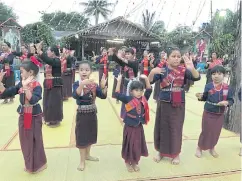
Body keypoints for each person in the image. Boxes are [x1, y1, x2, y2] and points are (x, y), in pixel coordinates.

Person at [148, 47, 200, 165]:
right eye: (173, 56)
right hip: (163, 103)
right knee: (161, 127)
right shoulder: (162, 70)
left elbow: (197, 77)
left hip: (178, 104)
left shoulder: (184, 70)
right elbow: (149, 81)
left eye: (178, 56)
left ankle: (175, 153)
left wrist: (192, 68)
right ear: (167, 57)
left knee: (176, 128)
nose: (176, 58)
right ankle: (161, 152)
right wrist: (152, 72)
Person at [0, 57, 47, 173]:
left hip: (34, 115)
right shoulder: (21, 83)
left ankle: (40, 164)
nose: (20, 74)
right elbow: (8, 92)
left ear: (30, 72)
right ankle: (30, 164)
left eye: (22, 72)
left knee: (36, 139)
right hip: (24, 114)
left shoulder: (36, 85)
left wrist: (26, 88)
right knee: (25, 139)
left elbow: (33, 99)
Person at [73, 61, 107, 171]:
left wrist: (103, 87)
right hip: (82, 114)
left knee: (91, 134)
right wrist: (82, 84)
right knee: (82, 136)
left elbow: (103, 96)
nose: (84, 72)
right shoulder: (77, 83)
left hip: (92, 113)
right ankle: (82, 161)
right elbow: (75, 96)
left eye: (87, 70)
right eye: (82, 69)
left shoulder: (94, 84)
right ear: (78, 71)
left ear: (90, 71)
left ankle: (87, 155)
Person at [115, 74, 152, 172]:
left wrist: (147, 79)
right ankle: (128, 162)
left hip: (139, 127)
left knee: (137, 145)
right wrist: (119, 81)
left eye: (141, 90)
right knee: (129, 145)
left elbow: (149, 90)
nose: (139, 92)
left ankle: (135, 162)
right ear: (131, 91)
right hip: (129, 127)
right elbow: (117, 94)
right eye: (136, 90)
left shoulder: (144, 99)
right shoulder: (128, 99)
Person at [195, 66, 234, 158]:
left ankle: (212, 147)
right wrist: (200, 97)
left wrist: (226, 102)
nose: (216, 76)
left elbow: (231, 100)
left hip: (219, 114)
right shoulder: (208, 86)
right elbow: (204, 97)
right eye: (213, 74)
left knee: (216, 132)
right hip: (208, 112)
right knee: (206, 131)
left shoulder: (228, 88)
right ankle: (199, 147)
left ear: (224, 75)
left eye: (219, 74)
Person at [36, 42, 63, 127]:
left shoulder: (57, 60)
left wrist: (40, 51)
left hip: (55, 84)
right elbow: (44, 59)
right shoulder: (49, 61)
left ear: (53, 52)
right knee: (47, 101)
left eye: (48, 50)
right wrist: (36, 51)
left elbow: (47, 60)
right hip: (47, 83)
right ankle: (48, 118)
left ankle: (55, 120)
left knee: (54, 102)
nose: (47, 51)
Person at [109, 47, 139, 119]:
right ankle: (124, 115)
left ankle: (132, 115)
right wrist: (113, 54)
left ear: (133, 55)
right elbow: (117, 60)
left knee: (132, 100)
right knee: (125, 99)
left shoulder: (135, 62)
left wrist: (121, 58)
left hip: (133, 84)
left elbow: (131, 64)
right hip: (126, 83)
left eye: (128, 54)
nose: (127, 55)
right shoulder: (124, 62)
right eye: (126, 54)